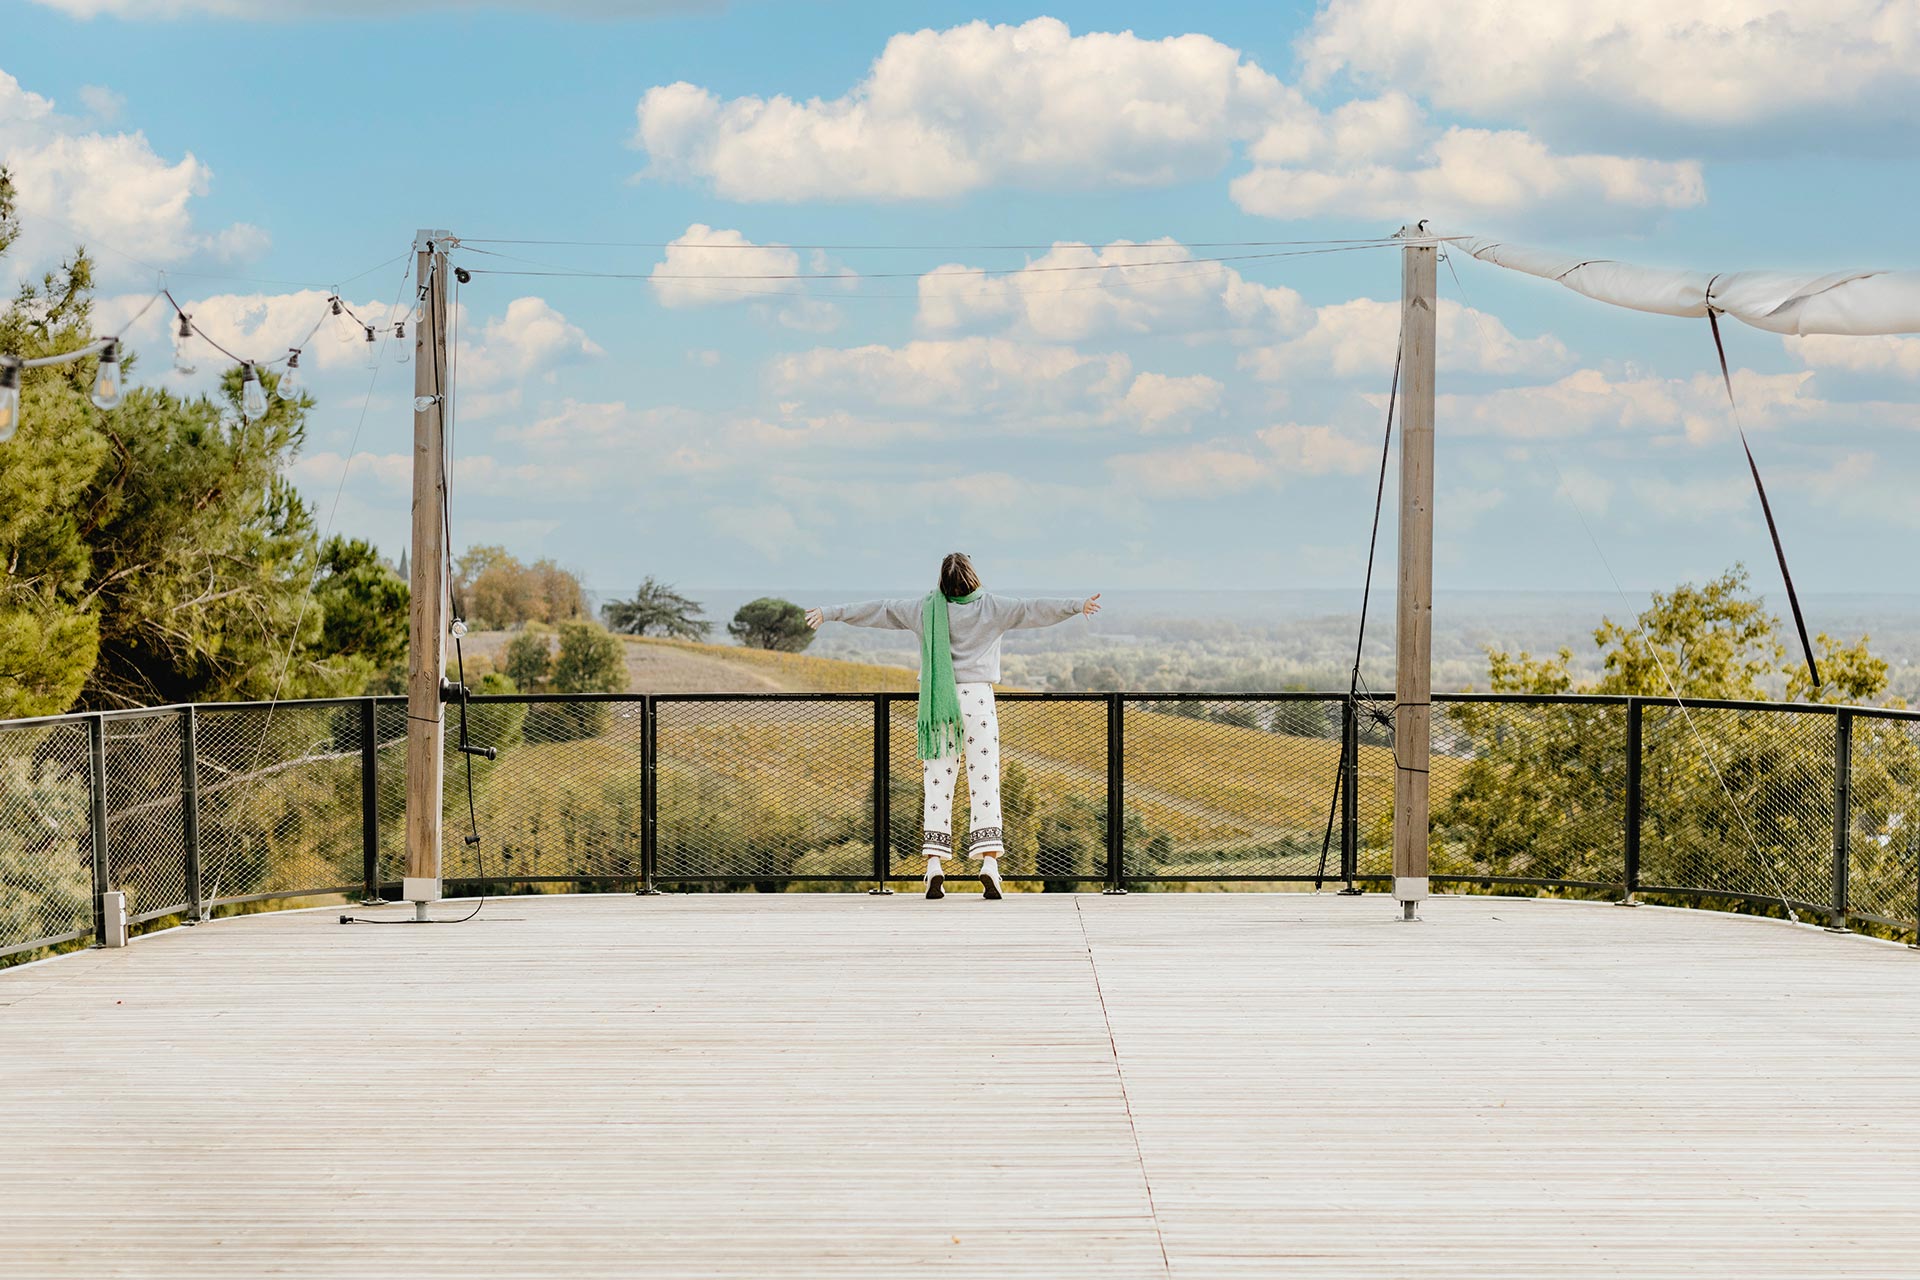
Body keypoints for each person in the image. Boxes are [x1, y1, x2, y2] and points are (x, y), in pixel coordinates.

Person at [807, 553, 1100, 900]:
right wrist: (1076, 605)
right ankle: (988, 863)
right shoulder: (993, 607)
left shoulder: (925, 609)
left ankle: (934, 864)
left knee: (938, 783)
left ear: (943, 583)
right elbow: (1033, 609)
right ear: (973, 577)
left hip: (938, 702)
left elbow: (880, 610)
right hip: (978, 700)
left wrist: (830, 612)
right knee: (985, 780)